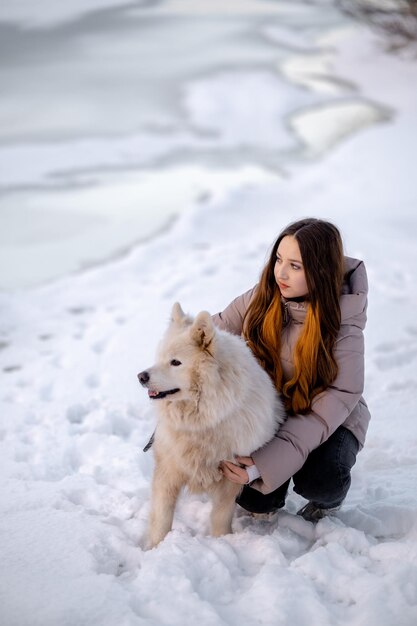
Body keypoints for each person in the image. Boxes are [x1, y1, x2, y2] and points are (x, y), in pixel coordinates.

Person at [215, 217, 370, 522]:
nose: (280, 273)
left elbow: (324, 412)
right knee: (255, 502)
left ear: (321, 271)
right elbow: (206, 343)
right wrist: (177, 397)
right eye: (278, 259)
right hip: (270, 415)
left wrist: (265, 463)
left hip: (329, 421)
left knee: (321, 480)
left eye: (295, 266)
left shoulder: (344, 329)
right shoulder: (260, 298)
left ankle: (329, 501)